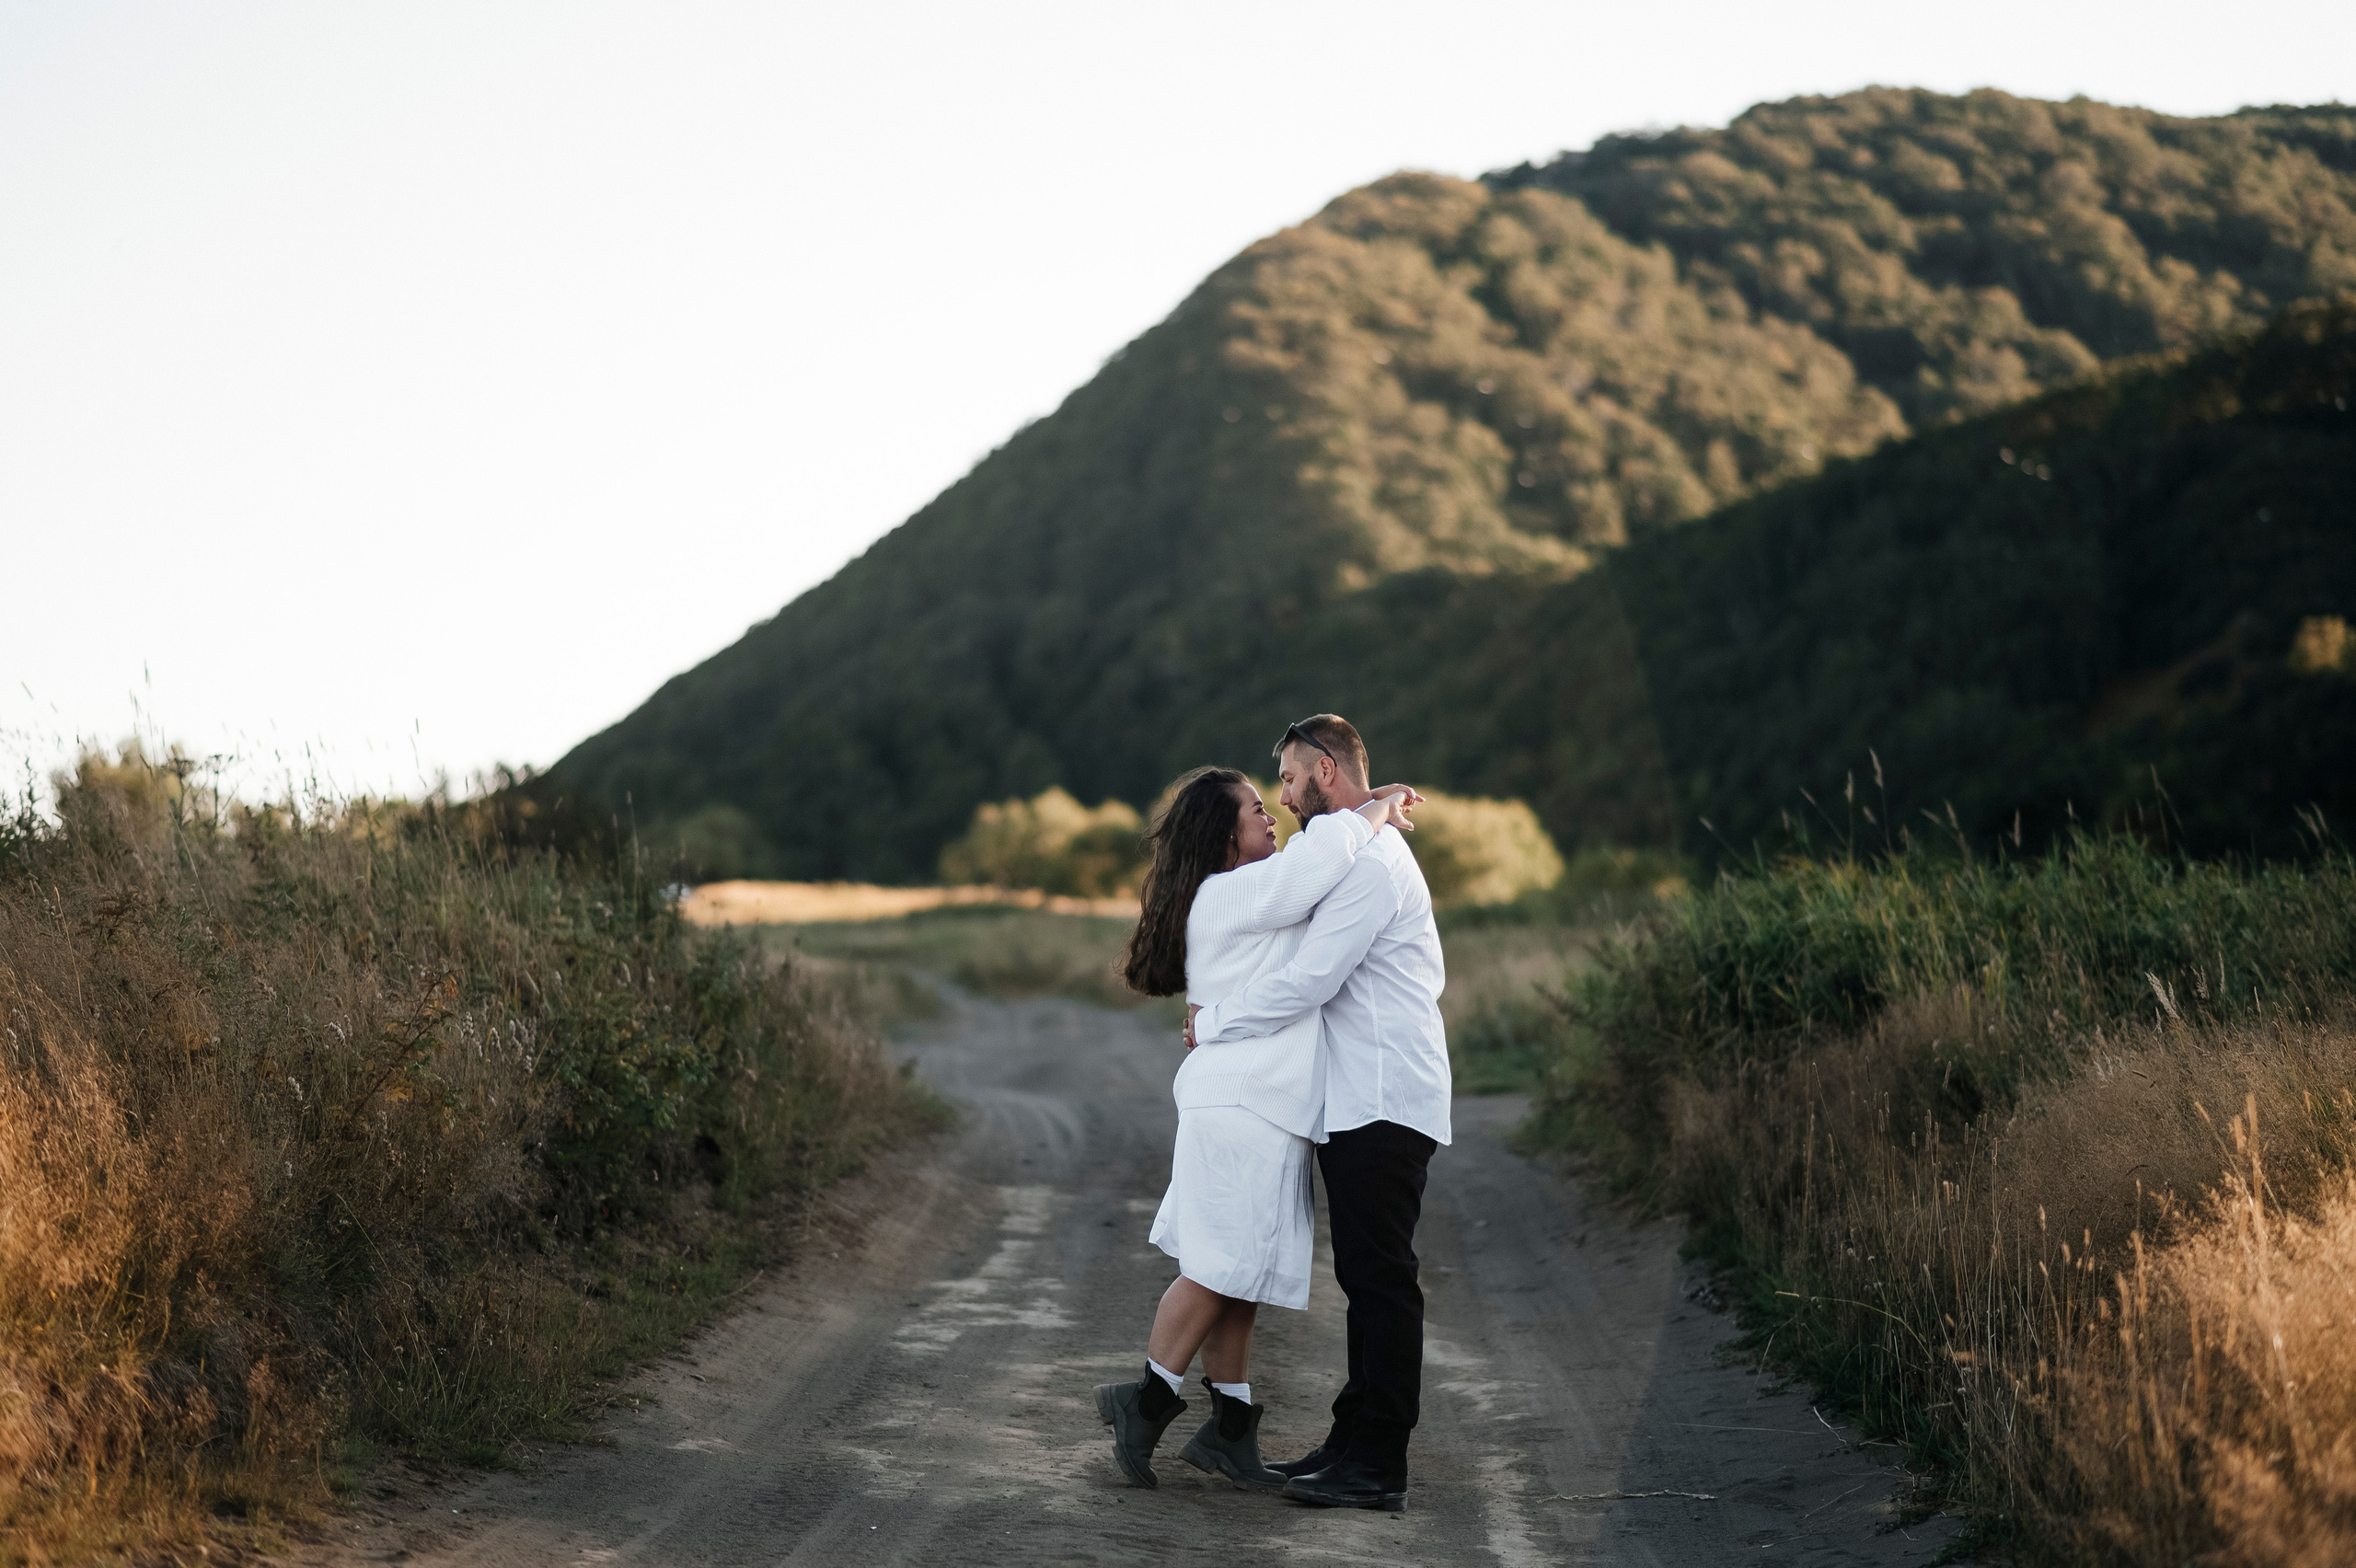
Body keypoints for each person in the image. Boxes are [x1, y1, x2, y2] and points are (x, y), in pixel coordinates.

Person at [1095, 765, 1418, 1490]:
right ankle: (1143, 1403)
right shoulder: (1229, 892)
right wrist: (1375, 806)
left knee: (1239, 1272)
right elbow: (1314, 865)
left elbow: (1312, 891)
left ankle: (1231, 1429)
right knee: (1216, 1268)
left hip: (1260, 1106)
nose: (1269, 815)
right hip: (1241, 1103)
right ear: (1221, 837)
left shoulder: (1248, 899)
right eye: (1251, 811)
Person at [1184, 714, 1449, 1514]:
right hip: (1358, 1099)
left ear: (1327, 770)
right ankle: (1351, 1440)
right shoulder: (1355, 852)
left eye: (1294, 781)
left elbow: (1310, 979)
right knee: (1364, 1277)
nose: (1288, 799)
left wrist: (1215, 1024)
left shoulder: (1374, 866)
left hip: (1383, 1097)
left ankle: (1379, 1465)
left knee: (1382, 1282)